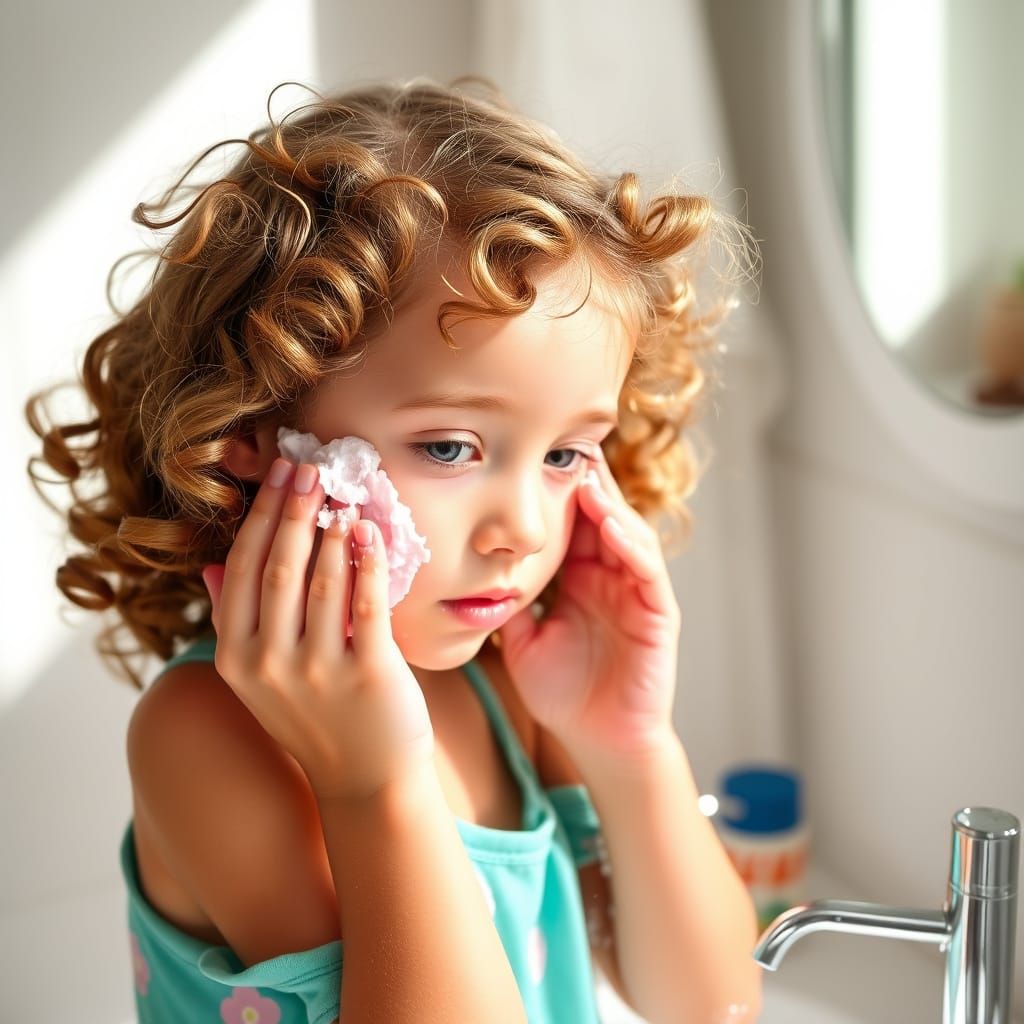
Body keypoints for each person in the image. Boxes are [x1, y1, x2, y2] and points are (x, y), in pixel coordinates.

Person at [25, 76, 764, 1023]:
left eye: (567, 453)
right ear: (257, 428)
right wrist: (374, 787)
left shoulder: (507, 681)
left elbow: (713, 1006)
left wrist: (632, 749)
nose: (525, 530)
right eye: (451, 447)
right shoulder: (206, 737)